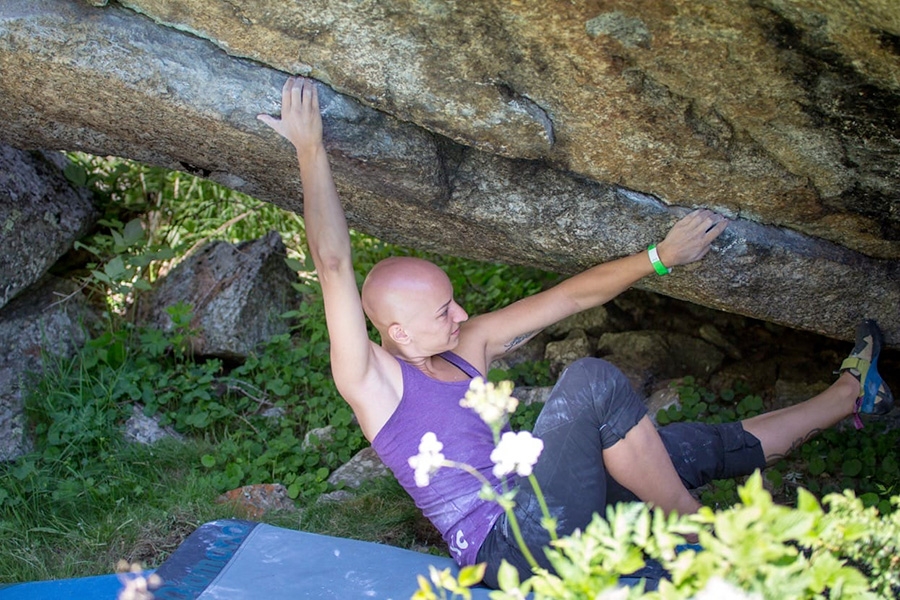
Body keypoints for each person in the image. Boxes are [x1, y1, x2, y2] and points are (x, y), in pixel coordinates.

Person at [257, 77, 895, 588]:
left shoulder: (466, 345)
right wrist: (310, 149)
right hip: (507, 550)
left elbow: (565, 297)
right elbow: (334, 263)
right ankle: (696, 530)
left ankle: (846, 398)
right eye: (443, 312)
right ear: (395, 330)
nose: (461, 316)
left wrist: (660, 258)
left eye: (454, 302)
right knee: (589, 383)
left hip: (549, 509)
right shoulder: (370, 379)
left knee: (682, 449)